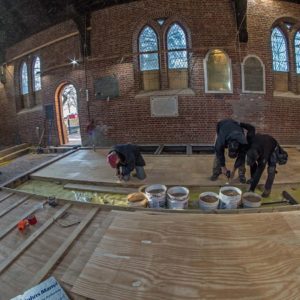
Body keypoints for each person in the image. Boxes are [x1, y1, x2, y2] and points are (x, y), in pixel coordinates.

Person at [210, 119, 255, 183]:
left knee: (242, 156)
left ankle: (241, 175)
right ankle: (216, 173)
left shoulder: (243, 143)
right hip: (223, 127)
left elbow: (241, 157)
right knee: (218, 154)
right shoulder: (221, 140)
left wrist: (233, 170)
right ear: (228, 146)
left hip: (237, 130)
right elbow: (219, 153)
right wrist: (223, 167)